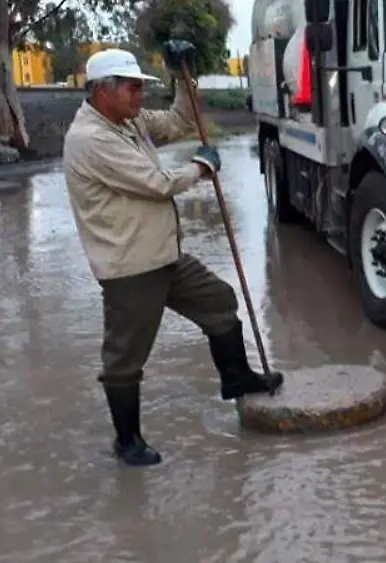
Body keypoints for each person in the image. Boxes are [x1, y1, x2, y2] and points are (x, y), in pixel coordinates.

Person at [63, 43, 284, 468]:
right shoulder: (90, 139)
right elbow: (158, 182)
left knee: (219, 301)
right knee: (125, 357)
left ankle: (237, 378)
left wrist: (183, 78)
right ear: (102, 90)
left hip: (164, 253)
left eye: (141, 87)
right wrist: (203, 167)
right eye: (132, 88)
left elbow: (180, 120)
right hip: (130, 266)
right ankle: (126, 441)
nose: (140, 95)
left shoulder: (131, 121)